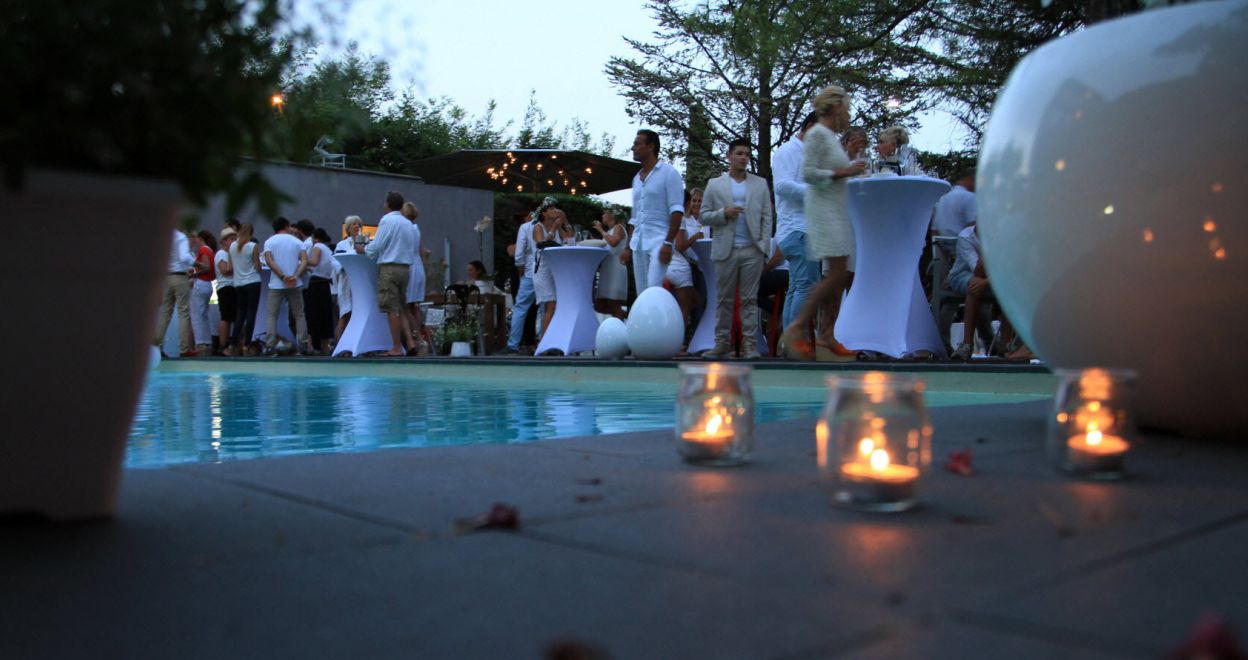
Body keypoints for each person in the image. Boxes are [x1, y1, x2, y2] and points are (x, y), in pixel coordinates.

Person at [779, 85, 867, 361]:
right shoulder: (818, 133)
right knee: (836, 275)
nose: (849, 113)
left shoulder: (830, 136)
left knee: (839, 274)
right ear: (835, 107)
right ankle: (798, 327)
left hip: (835, 210)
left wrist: (848, 172)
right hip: (823, 213)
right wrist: (844, 171)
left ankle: (826, 333)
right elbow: (809, 173)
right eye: (846, 107)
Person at [697, 138, 773, 360]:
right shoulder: (715, 184)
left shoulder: (759, 183)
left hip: (751, 248)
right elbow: (703, 215)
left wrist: (763, 245)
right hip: (725, 248)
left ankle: (750, 345)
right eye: (739, 153)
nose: (743, 158)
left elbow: (767, 216)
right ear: (729, 156)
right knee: (723, 299)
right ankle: (722, 343)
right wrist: (724, 213)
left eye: (747, 154)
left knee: (750, 299)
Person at [772, 112, 820, 330]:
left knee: (798, 286)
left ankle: (789, 342)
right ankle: (794, 340)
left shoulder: (807, 154)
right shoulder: (788, 151)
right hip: (797, 230)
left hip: (802, 230)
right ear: (809, 127)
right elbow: (782, 185)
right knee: (806, 286)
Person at [356, 191, 416, 357]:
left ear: (387, 204)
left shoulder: (387, 220)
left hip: (389, 268)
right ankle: (410, 342)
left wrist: (364, 249)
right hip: (405, 268)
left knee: (391, 308)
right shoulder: (407, 223)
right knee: (402, 307)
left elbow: (378, 245)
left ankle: (396, 347)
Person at [628, 129, 685, 292]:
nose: (633, 148)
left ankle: (659, 316)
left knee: (653, 288)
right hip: (638, 242)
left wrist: (668, 243)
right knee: (641, 293)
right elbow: (634, 216)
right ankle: (644, 318)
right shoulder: (636, 179)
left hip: (659, 241)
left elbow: (677, 211)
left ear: (651, 147)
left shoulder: (669, 173)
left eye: (637, 144)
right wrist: (627, 247)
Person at [262, 217, 310, 356]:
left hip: (276, 284)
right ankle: (303, 345)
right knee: (299, 315)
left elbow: (269, 261)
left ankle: (270, 345)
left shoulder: (269, 242)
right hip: (295, 283)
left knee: (272, 315)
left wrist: (282, 276)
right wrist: (295, 275)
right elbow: (304, 261)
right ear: (287, 226)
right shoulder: (297, 242)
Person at [531, 200, 574, 349]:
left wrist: (565, 220)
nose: (556, 210)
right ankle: (544, 343)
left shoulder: (558, 226)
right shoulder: (538, 227)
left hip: (555, 270)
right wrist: (553, 229)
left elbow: (570, 238)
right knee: (551, 304)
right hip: (542, 270)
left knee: (555, 305)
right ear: (544, 213)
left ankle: (552, 340)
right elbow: (541, 244)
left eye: (556, 207)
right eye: (551, 208)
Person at [499, 212, 537, 355]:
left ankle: (527, 342)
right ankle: (521, 342)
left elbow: (519, 255)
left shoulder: (529, 229)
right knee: (523, 307)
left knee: (527, 308)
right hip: (522, 272)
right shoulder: (525, 229)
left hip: (526, 272)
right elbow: (512, 251)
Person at [154, 228, 195, 357]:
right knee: (183, 312)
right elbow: (184, 257)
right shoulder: (180, 236)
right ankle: (184, 348)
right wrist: (196, 262)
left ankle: (157, 347)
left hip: (166, 277)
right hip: (179, 276)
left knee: (165, 312)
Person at [227, 222, 262, 356]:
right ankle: (247, 345)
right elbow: (258, 266)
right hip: (253, 281)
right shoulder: (253, 246)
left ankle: (232, 344)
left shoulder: (232, 246)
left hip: (238, 283)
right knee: (251, 313)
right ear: (251, 233)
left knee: (240, 314)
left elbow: (230, 267)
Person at [332, 215, 364, 347]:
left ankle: (356, 344)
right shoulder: (342, 244)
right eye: (353, 224)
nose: (356, 226)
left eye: (358, 224)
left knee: (358, 313)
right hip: (347, 282)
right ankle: (340, 345)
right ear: (348, 228)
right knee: (345, 313)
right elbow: (336, 263)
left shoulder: (364, 241)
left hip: (361, 282)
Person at [592, 207, 628, 320]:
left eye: (604, 214)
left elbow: (613, 242)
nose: (602, 216)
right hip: (607, 269)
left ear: (612, 216)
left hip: (616, 268)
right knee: (599, 304)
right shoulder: (609, 231)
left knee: (614, 303)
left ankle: (622, 325)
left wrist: (600, 230)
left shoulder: (618, 228)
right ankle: (624, 318)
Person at [401, 202, 428, 354]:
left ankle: (416, 338)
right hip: (418, 266)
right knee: (414, 305)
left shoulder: (406, 228)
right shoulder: (416, 228)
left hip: (409, 266)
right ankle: (418, 337)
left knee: (405, 305)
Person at [305, 228, 337, 354]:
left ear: (315, 237)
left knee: (313, 314)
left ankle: (311, 344)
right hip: (325, 284)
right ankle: (324, 345)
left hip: (316, 284)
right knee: (325, 315)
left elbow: (314, 261)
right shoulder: (327, 249)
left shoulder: (317, 246)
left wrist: (302, 259)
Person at [189, 229, 218, 356]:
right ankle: (207, 341)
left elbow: (206, 267)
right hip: (209, 285)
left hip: (201, 283)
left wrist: (195, 272)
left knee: (196, 315)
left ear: (201, 239)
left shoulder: (203, 250)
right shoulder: (211, 251)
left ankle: (199, 342)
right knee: (204, 315)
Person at [931, 167, 977, 241]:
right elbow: (974, 227)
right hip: (963, 246)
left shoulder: (942, 199)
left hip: (942, 246)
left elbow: (934, 231)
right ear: (969, 179)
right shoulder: (969, 197)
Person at [214, 227, 237, 355]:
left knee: (231, 316)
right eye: (231, 239)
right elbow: (225, 271)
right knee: (226, 316)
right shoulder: (221, 254)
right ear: (224, 241)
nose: (233, 241)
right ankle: (223, 344)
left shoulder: (229, 253)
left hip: (232, 287)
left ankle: (230, 343)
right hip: (225, 287)